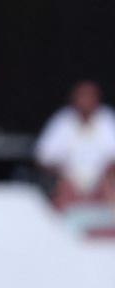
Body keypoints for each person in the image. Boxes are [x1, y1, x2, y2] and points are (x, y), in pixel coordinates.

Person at [37, 80, 115, 210]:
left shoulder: (107, 119)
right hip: (68, 181)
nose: (85, 101)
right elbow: (43, 156)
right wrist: (63, 174)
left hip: (103, 183)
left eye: (89, 97)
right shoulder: (62, 120)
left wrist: (104, 177)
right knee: (61, 191)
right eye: (82, 96)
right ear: (73, 99)